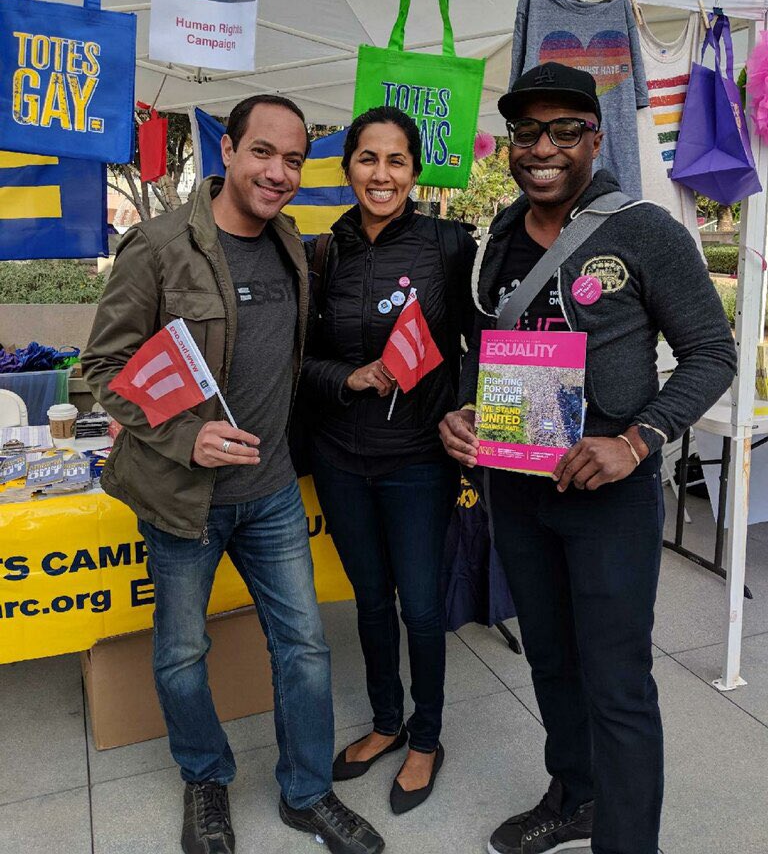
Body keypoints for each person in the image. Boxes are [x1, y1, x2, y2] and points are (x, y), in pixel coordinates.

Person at [439, 62, 737, 854]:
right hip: (520, 489)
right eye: (527, 132)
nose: (543, 147)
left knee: (617, 682)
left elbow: (711, 353)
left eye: (564, 130)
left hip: (611, 496)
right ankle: (574, 796)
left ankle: (628, 839)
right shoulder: (497, 238)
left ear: (595, 138)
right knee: (550, 660)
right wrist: (462, 415)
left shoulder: (642, 230)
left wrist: (637, 440)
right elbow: (484, 349)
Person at [82, 95, 384, 854]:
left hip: (274, 492)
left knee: (306, 649)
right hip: (184, 499)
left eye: (293, 160)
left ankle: (307, 794)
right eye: (263, 153)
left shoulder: (292, 244)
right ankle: (206, 780)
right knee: (183, 653)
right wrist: (188, 437)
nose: (278, 172)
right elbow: (101, 370)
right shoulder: (157, 247)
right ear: (227, 151)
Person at [301, 106, 476, 814]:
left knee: (423, 607)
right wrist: (346, 377)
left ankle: (427, 737)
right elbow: (298, 357)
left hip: (418, 460)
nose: (382, 174)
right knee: (369, 601)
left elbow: (480, 340)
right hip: (342, 455)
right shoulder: (321, 252)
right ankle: (385, 721)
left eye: (396, 160)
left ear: (414, 169)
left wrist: (463, 412)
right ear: (347, 169)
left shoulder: (448, 246)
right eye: (368, 159)